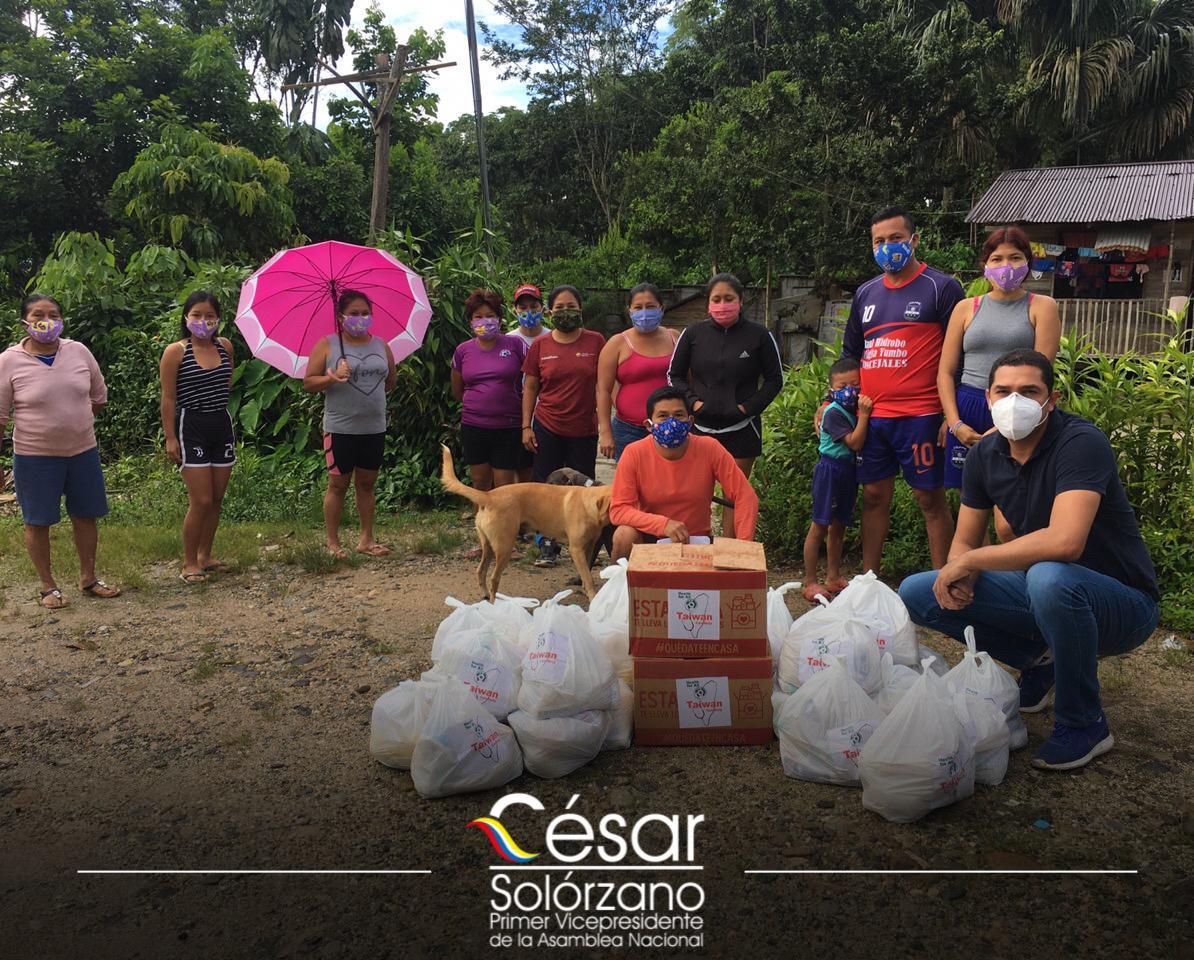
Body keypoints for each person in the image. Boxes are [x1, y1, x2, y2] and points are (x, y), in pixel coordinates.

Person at [899, 349, 1160, 771]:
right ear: (987, 398)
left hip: (1123, 605)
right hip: (1048, 592)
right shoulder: (986, 454)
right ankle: (1041, 660)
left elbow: (1065, 542)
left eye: (1028, 391)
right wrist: (959, 572)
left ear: (1051, 399)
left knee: (1050, 577)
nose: (1014, 401)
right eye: (1003, 391)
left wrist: (975, 560)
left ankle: (1084, 723)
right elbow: (964, 541)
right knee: (919, 592)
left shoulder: (1080, 443)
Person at [840, 206, 965, 573]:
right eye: (879, 241)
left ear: (914, 240)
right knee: (874, 497)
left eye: (895, 239)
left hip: (922, 416)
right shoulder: (865, 293)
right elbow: (851, 354)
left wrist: (950, 415)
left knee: (930, 500)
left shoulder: (941, 288)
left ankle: (945, 581)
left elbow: (959, 354)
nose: (887, 247)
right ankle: (869, 581)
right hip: (872, 416)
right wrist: (834, 403)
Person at [0, 294, 121, 608]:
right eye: (39, 314)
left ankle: (89, 578)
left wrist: (73, 422)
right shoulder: (8, 361)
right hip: (33, 456)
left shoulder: (78, 351)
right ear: (24, 322)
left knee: (86, 515)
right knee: (37, 521)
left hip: (83, 451)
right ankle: (47, 587)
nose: (47, 320)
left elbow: (99, 396)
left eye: (53, 314)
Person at [939, 225, 1060, 491]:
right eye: (997, 258)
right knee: (971, 498)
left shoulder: (1042, 306)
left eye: (1015, 257)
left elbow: (1042, 373)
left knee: (1012, 504)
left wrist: (1007, 424)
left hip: (1019, 407)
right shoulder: (965, 308)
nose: (1006, 265)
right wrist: (954, 422)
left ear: (1027, 262)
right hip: (968, 407)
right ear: (985, 264)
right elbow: (946, 372)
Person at [667, 272, 783, 537]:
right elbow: (674, 375)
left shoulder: (759, 336)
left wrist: (747, 408)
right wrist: (693, 404)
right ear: (708, 303)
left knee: (735, 493)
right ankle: (695, 548)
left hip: (742, 428)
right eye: (716, 299)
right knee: (694, 493)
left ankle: (730, 554)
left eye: (728, 298)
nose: (722, 304)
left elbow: (775, 380)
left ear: (740, 301)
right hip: (700, 429)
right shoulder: (693, 334)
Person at [609, 386, 759, 559]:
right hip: (650, 538)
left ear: (690, 421)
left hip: (696, 541)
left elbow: (745, 496)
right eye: (663, 416)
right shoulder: (634, 453)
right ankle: (622, 584)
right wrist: (663, 524)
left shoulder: (709, 448)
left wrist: (745, 548)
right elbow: (619, 510)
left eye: (679, 415)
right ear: (648, 425)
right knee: (623, 535)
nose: (671, 422)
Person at [303, 289, 397, 559]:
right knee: (338, 485)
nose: (360, 318)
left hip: (373, 427)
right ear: (340, 316)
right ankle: (333, 542)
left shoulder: (381, 345)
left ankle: (366, 539)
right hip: (340, 428)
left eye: (365, 313)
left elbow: (390, 380)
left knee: (367, 485)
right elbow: (309, 383)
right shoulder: (327, 345)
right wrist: (332, 377)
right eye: (354, 313)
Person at [521, 285, 605, 567]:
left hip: (584, 429)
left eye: (571, 306)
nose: (565, 312)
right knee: (546, 491)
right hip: (547, 426)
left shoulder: (596, 342)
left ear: (581, 309)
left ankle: (587, 549)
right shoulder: (540, 346)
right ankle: (547, 546)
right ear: (549, 312)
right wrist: (526, 426)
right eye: (559, 308)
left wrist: (607, 426)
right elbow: (530, 388)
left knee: (585, 491)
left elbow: (606, 385)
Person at [159, 291, 237, 584]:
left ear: (218, 319)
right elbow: (168, 398)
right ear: (186, 318)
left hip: (221, 423)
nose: (203, 321)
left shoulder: (225, 347)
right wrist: (170, 438)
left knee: (217, 498)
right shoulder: (175, 351)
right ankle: (189, 562)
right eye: (197, 315)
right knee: (201, 499)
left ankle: (206, 555)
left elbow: (226, 383)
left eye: (209, 316)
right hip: (190, 425)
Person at [802, 358, 873, 602]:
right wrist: (864, 415)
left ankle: (833, 577)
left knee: (839, 525)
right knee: (819, 525)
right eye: (842, 386)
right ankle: (810, 581)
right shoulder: (833, 413)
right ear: (831, 389)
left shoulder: (849, 410)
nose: (849, 391)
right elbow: (854, 442)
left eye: (855, 384)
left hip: (847, 472)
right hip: (830, 471)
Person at [451, 289, 528, 491]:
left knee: (505, 485)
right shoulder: (462, 351)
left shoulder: (515, 345)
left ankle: (506, 524)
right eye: (478, 317)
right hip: (474, 426)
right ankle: (481, 523)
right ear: (470, 321)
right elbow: (458, 391)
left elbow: (530, 382)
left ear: (500, 318)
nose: (484, 321)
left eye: (490, 316)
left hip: (508, 426)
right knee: (480, 482)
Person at [597, 282, 678, 462]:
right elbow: (603, 389)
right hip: (629, 430)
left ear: (661, 308)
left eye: (650, 307)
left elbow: (688, 380)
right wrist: (605, 432)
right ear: (629, 310)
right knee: (631, 485)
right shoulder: (617, 344)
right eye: (638, 307)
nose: (644, 312)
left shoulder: (675, 337)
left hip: (669, 427)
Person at [508, 283, 548, 482]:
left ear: (543, 307)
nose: (528, 311)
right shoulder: (507, 340)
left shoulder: (552, 338)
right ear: (514, 310)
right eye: (522, 308)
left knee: (546, 471)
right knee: (522, 470)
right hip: (516, 416)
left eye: (533, 306)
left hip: (547, 417)